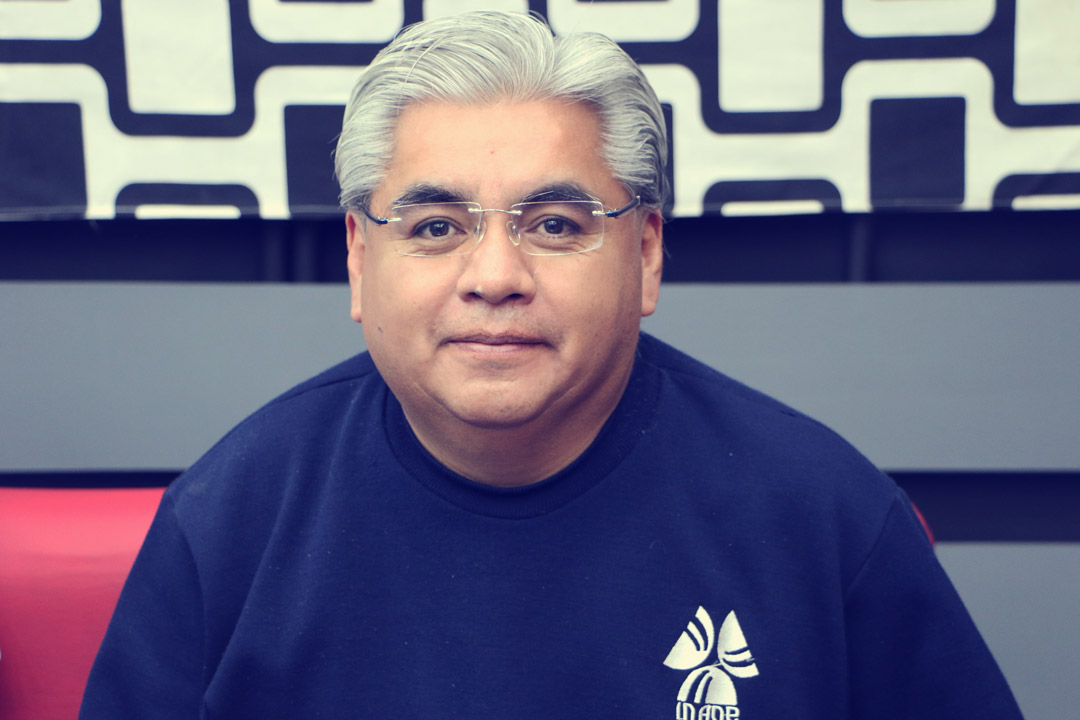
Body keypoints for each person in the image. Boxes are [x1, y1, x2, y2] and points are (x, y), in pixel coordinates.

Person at [81, 11, 1023, 719]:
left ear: (645, 255)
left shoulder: (822, 515)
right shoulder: (229, 521)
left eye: (557, 225)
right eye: (436, 227)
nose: (495, 276)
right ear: (361, 260)